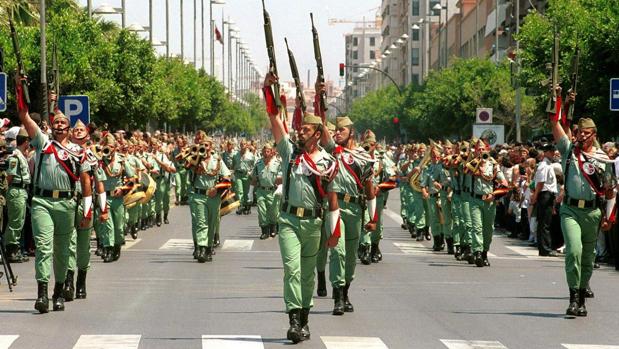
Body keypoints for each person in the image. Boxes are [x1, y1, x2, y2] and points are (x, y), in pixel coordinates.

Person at [263, 72, 340, 344]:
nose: (300, 131)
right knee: (292, 270)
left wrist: (334, 230)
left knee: (307, 275)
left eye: (306, 129)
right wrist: (267, 88)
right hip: (289, 221)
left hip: (314, 224)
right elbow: (275, 119)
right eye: (300, 128)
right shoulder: (290, 152)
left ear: (317, 134)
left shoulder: (328, 161)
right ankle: (293, 319)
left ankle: (305, 318)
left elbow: (332, 198)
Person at [17, 81, 92, 313]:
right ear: (51, 125)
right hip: (42, 202)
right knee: (44, 247)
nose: (59, 125)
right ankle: (41, 295)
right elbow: (24, 115)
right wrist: (21, 90)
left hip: (67, 204)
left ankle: (58, 293)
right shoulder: (42, 141)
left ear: (68, 129)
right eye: (56, 122)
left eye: (63, 123)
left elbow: (87, 182)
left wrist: (88, 212)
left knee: (62, 250)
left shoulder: (79, 152)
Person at [550, 88, 615, 317]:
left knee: (588, 258)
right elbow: (555, 125)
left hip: (592, 213)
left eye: (587, 132)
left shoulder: (602, 159)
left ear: (594, 134)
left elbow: (610, 191)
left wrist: (608, 216)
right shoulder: (569, 150)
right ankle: (573, 298)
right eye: (580, 132)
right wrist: (559, 101)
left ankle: (582, 293)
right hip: (570, 210)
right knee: (574, 252)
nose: (583, 136)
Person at [4, 127, 31, 263]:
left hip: (21, 191)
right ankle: (11, 250)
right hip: (16, 190)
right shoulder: (15, 156)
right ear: (25, 141)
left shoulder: (21, 155)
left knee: (19, 221)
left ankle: (15, 248)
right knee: (15, 221)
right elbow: (10, 176)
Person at [530, 142, 559, 257]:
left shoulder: (548, 165)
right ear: (546, 153)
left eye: (553, 151)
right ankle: (545, 249)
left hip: (548, 195)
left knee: (546, 223)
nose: (553, 154)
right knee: (544, 224)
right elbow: (540, 183)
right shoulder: (543, 165)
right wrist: (535, 197)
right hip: (544, 195)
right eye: (551, 152)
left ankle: (545, 247)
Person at [251, 143, 282, 240]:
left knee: (274, 211)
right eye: (264, 151)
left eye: (268, 151)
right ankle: (264, 231)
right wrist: (251, 191)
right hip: (261, 190)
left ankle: (273, 228)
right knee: (261, 211)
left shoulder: (277, 164)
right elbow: (253, 178)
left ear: (272, 152)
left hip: (273, 191)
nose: (265, 153)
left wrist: (280, 186)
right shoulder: (258, 164)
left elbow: (281, 177)